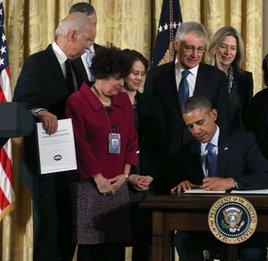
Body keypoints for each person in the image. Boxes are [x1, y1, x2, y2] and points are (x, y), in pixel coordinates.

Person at [13, 13, 95, 261]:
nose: (90, 47)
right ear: (71, 35)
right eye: (88, 40)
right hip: (44, 162)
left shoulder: (77, 66)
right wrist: (39, 111)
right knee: (50, 227)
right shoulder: (38, 62)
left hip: (72, 164)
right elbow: (19, 105)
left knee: (69, 228)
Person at [172, 96, 268, 261]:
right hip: (204, 224)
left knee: (253, 252)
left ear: (213, 115)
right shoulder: (187, 150)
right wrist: (182, 184)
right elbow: (180, 181)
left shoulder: (242, 140)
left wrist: (231, 182)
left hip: (244, 222)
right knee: (183, 239)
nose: (196, 131)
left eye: (200, 122)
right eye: (190, 126)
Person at [65, 46, 141, 260]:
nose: (121, 83)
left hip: (118, 185)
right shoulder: (77, 101)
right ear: (101, 74)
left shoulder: (123, 101)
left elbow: (131, 139)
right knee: (91, 248)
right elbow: (80, 146)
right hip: (90, 187)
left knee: (116, 249)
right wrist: (98, 179)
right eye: (118, 78)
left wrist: (125, 175)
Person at [143, 21, 229, 194]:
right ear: (176, 45)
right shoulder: (156, 76)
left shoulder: (216, 78)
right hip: (164, 166)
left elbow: (223, 121)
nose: (194, 54)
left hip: (202, 167)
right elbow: (148, 124)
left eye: (200, 49)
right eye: (189, 48)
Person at [121, 49, 154, 261]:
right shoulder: (108, 102)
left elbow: (158, 146)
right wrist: (127, 176)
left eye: (142, 73)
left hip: (146, 180)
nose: (138, 78)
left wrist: (151, 175)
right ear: (123, 73)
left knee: (145, 242)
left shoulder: (150, 103)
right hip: (118, 180)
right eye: (134, 73)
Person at [208, 26, 253, 129]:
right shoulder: (202, 74)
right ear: (215, 48)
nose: (228, 52)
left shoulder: (245, 79)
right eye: (223, 46)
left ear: (237, 52)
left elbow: (246, 117)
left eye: (233, 48)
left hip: (235, 139)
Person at [69, 2, 102, 85]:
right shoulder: (65, 55)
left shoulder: (105, 53)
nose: (93, 31)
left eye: (94, 25)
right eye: (87, 26)